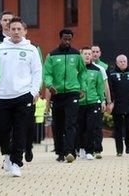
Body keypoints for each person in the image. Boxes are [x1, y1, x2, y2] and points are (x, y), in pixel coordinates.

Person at [0, 17, 42, 177]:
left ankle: (16, 163)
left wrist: (33, 92)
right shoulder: (0, 48)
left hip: (23, 96)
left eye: (19, 29)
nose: (15, 32)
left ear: (25, 31)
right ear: (8, 31)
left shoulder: (31, 49)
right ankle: (7, 153)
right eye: (12, 29)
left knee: (20, 132)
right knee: (0, 129)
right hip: (2, 96)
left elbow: (37, 72)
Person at [44, 29, 87, 163]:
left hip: (72, 92)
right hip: (57, 93)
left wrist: (82, 88)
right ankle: (60, 151)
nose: (67, 41)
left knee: (71, 122)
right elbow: (47, 73)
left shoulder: (76, 55)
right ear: (60, 38)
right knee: (58, 124)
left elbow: (82, 73)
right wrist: (50, 85)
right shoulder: (52, 55)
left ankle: (70, 151)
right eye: (65, 39)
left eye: (69, 39)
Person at [108, 55, 129, 156]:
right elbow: (109, 90)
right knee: (117, 128)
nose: (123, 63)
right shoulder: (112, 74)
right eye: (121, 61)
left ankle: (127, 144)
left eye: (124, 61)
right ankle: (119, 149)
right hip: (116, 105)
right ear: (117, 63)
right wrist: (110, 102)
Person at [77, 47, 105, 160]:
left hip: (93, 102)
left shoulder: (97, 70)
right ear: (81, 55)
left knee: (91, 127)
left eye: (90, 53)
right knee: (80, 127)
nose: (88, 55)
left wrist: (102, 100)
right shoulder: (76, 70)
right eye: (85, 54)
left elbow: (100, 87)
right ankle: (81, 148)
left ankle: (89, 150)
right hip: (80, 103)